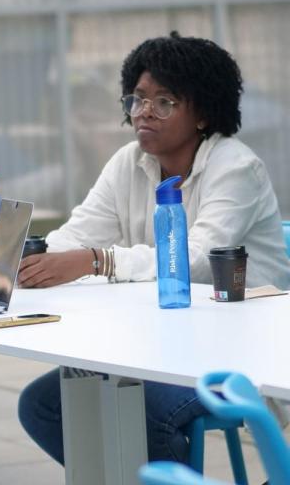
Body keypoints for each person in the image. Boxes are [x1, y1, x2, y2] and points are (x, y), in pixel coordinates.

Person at [16, 32, 290, 465]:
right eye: (137, 98)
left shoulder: (236, 167)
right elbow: (79, 234)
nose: (144, 112)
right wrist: (31, 258)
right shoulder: (129, 162)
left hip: (242, 349)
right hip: (162, 343)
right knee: (43, 404)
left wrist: (97, 260)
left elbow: (194, 261)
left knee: (147, 412)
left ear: (201, 112)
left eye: (164, 102)